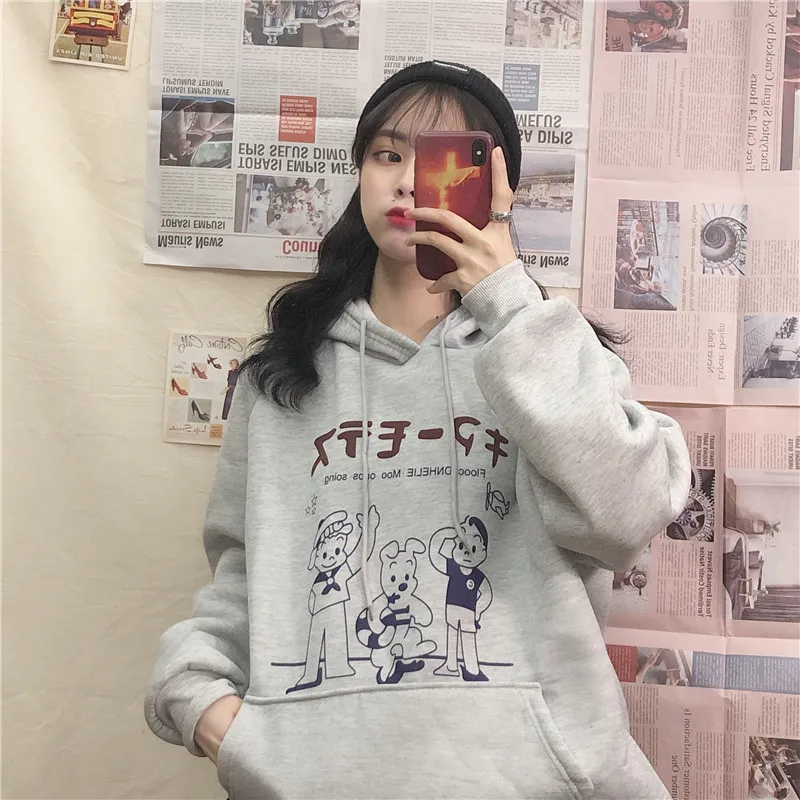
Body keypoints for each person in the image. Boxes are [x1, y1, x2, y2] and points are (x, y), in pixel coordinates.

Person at [144, 60, 691, 799]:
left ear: (497, 189)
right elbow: (244, 577)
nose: (407, 182)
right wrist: (205, 706)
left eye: (443, 162)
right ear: (360, 175)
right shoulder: (283, 377)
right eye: (386, 154)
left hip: (540, 782)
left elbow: (628, 519)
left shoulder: (553, 355)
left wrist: (509, 303)